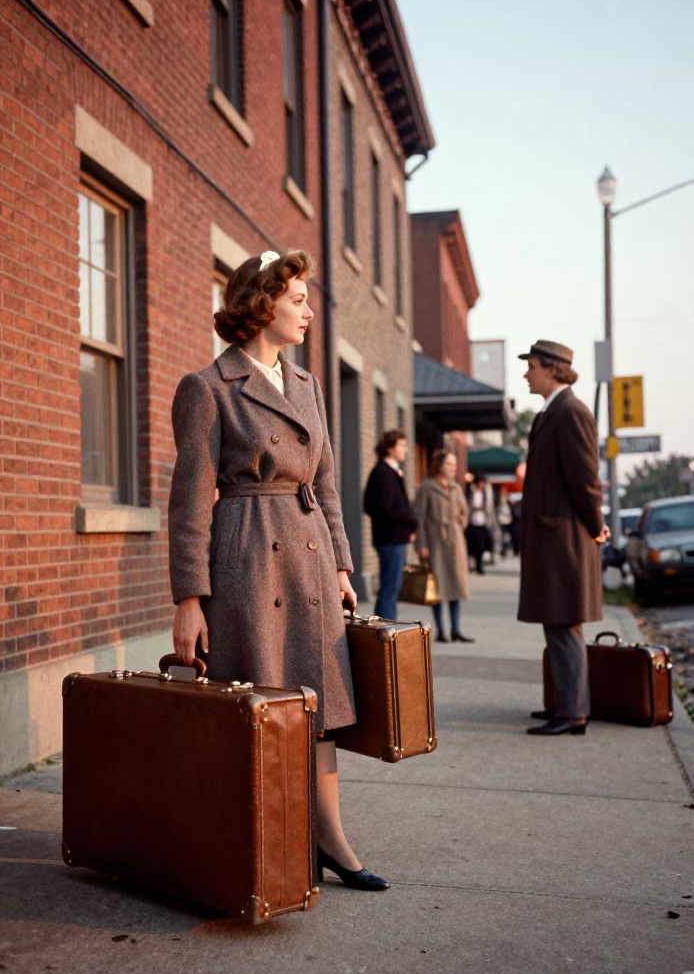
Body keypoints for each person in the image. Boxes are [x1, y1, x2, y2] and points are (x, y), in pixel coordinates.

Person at [169, 249, 388, 891]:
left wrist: (344, 565)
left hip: (311, 559)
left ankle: (329, 838)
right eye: (297, 300)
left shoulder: (309, 386)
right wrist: (190, 597)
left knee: (318, 702)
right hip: (247, 559)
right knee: (261, 704)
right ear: (261, 305)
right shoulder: (207, 388)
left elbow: (327, 481)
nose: (308, 312)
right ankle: (252, 844)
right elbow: (188, 500)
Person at [516, 340, 609, 737]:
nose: (526, 373)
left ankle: (572, 712)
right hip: (554, 537)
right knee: (557, 624)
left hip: (565, 539)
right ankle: (565, 703)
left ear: (552, 369)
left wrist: (596, 522)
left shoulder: (571, 412)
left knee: (564, 624)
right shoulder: (554, 412)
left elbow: (586, 479)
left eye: (532, 366)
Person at [413, 449, 474, 643]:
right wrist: (421, 545)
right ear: (439, 465)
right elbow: (418, 519)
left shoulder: (456, 488)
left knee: (456, 585)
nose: (453, 468)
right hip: (435, 543)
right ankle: (440, 631)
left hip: (455, 543)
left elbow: (465, 512)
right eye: (450, 464)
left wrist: (459, 524)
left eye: (455, 464)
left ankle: (456, 629)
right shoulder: (427, 487)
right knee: (437, 588)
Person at [362, 430, 418, 620]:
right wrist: (411, 522)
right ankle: (386, 632)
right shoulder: (383, 473)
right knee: (390, 589)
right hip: (390, 539)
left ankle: (386, 630)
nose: (406, 449)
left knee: (391, 588)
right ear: (389, 448)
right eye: (401, 445)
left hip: (394, 537)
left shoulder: (389, 472)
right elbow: (383, 507)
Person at [464, 474, 492, 574]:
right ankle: (473, 565)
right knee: (472, 545)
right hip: (472, 522)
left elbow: (489, 507)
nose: (482, 484)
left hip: (482, 521)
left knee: (482, 545)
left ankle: (479, 565)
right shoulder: (470, 491)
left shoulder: (485, 492)